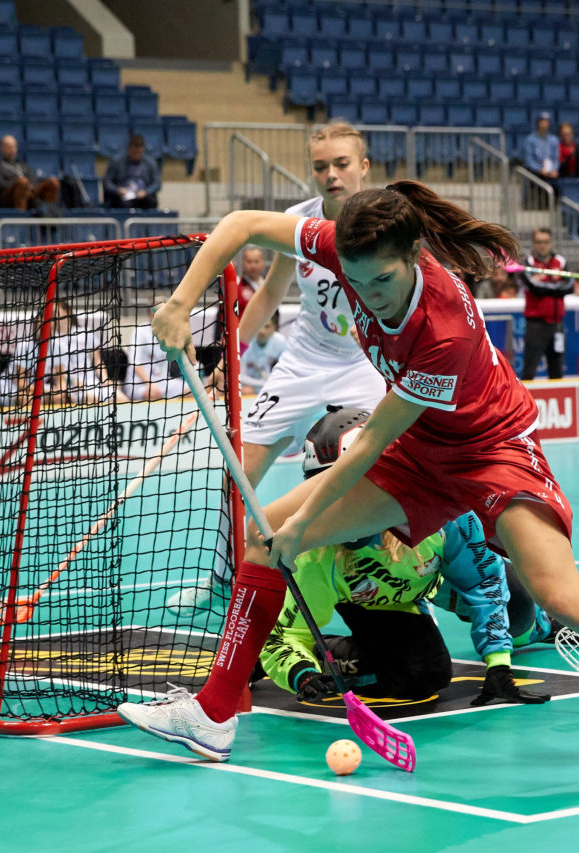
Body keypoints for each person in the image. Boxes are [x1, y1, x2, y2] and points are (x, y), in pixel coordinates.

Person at [118, 179, 579, 778]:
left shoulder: (442, 330)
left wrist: (303, 528)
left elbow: (370, 441)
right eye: (354, 277)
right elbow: (236, 225)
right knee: (263, 540)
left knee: (561, 594)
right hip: (423, 446)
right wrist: (182, 304)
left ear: (410, 258)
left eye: (379, 282)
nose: (365, 293)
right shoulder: (341, 246)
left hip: (491, 449)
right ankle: (212, 712)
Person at [165, 121, 388, 612]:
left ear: (364, 168)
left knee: (384, 471)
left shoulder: (386, 220)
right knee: (238, 471)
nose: (331, 175)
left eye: (342, 164)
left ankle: (398, 578)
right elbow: (268, 295)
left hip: (369, 365)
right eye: (321, 167)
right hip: (304, 362)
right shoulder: (299, 222)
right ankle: (223, 574)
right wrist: (228, 356)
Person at [257, 407, 552, 705]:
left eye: (344, 487)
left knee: (519, 608)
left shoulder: (443, 511)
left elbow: (483, 584)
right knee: (421, 674)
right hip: (374, 599)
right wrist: (301, 672)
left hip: (430, 575)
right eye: (320, 489)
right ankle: (328, 653)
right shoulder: (313, 551)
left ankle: (544, 628)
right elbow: (284, 633)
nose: (333, 503)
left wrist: (499, 666)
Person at [515, 229, 571, 380]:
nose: (542, 246)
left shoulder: (561, 261)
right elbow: (535, 288)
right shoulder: (527, 262)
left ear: (550, 242)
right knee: (529, 370)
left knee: (557, 371)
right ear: (534, 243)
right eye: (539, 242)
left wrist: (545, 280)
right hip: (536, 326)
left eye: (545, 242)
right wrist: (556, 282)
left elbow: (570, 287)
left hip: (557, 324)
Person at [0, 135, 60, 211]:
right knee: (23, 182)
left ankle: (49, 216)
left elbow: (33, 178)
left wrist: (28, 187)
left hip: (29, 192)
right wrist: (19, 184)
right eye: (8, 147)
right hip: (8, 197)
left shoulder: (22, 165)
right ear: (1, 148)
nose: (11, 149)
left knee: (53, 182)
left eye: (13, 146)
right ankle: (21, 218)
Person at [102, 135, 160, 209]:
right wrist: (117, 190)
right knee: (122, 204)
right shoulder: (116, 161)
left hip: (142, 196)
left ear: (142, 150)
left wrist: (146, 192)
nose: (136, 155)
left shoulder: (150, 163)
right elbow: (107, 182)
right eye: (133, 152)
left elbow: (157, 183)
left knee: (151, 202)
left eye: (138, 152)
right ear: (128, 149)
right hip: (123, 196)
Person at [238, 311, 287, 395]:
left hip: (270, 387)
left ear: (274, 328)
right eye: (259, 326)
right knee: (247, 391)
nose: (262, 331)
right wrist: (264, 384)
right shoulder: (245, 342)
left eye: (267, 327)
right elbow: (240, 376)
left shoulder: (281, 342)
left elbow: (288, 371)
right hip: (248, 387)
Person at [237, 246, 268, 314]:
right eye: (249, 262)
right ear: (243, 263)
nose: (253, 266)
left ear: (262, 263)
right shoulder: (236, 285)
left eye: (256, 261)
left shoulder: (269, 285)